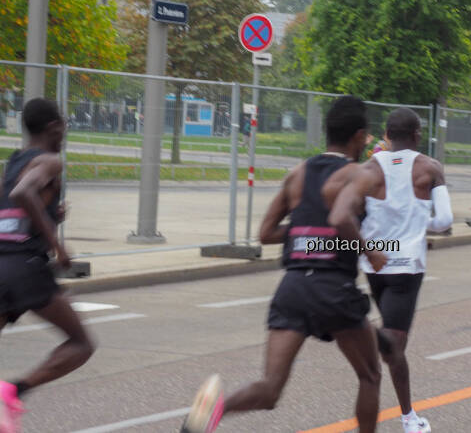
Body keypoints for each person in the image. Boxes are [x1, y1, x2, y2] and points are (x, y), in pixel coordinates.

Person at [181, 96, 387, 433]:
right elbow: (340, 219)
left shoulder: (298, 174)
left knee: (270, 389)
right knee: (370, 375)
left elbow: (265, 234)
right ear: (360, 136)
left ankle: (216, 410)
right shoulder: (358, 174)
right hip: (333, 287)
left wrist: (306, 230)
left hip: (293, 288)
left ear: (327, 131)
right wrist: (372, 251)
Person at [329, 108, 453, 433]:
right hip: (407, 265)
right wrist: (417, 220)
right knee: (393, 344)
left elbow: (350, 214)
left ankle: (408, 415)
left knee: (393, 347)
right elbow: (444, 222)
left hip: (375, 263)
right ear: (417, 135)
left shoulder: (367, 168)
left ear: (386, 134)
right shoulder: (430, 167)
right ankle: (409, 418)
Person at [0, 99, 95, 432]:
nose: (66, 130)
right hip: (26, 266)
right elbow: (24, 194)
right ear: (54, 126)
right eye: (64, 123)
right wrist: (57, 246)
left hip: (1, 261)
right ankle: (14, 390)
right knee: (81, 344)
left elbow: (14, 206)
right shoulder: (51, 160)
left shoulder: (13, 162)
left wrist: (51, 215)